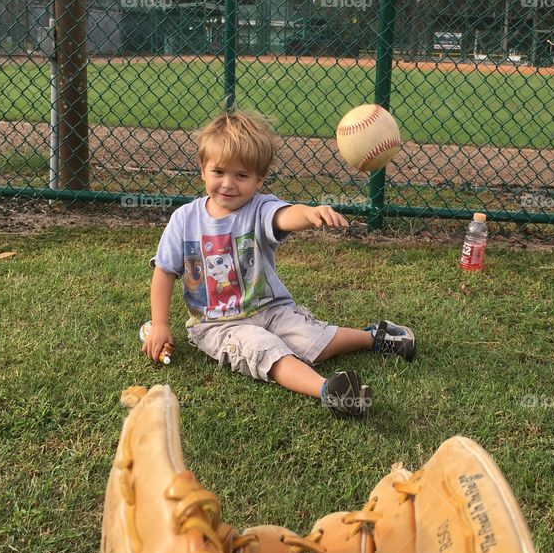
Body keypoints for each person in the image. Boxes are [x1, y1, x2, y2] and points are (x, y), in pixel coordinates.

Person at [141, 109, 417, 417]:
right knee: (264, 350)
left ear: (260, 180)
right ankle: (330, 391)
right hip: (219, 324)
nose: (228, 184)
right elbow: (164, 273)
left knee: (314, 339)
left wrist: (309, 214)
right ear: (202, 169)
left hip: (271, 308)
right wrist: (161, 325)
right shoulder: (184, 219)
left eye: (241, 175)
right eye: (219, 172)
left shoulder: (259, 208)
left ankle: (374, 337)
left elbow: (284, 216)